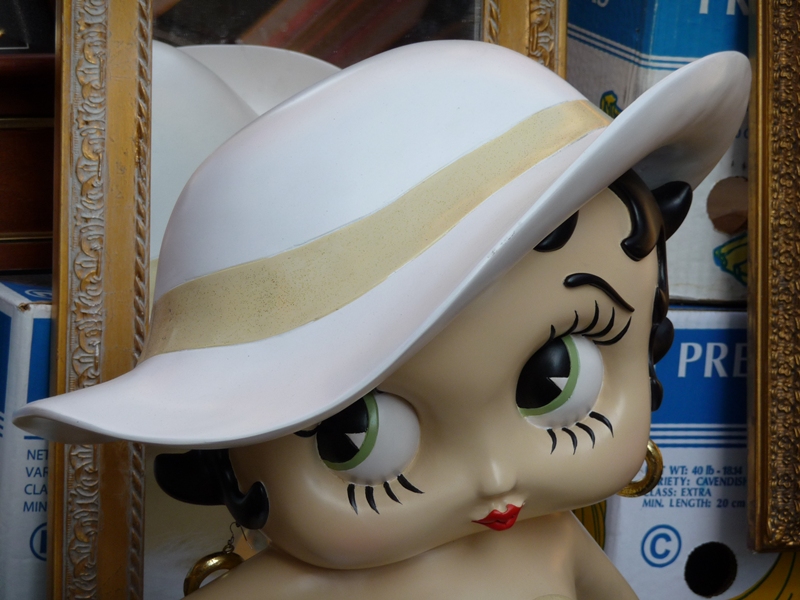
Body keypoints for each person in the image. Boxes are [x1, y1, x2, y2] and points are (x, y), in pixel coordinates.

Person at [15, 41, 749, 599]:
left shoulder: (554, 546)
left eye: (555, 381)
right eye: (356, 436)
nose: (495, 477)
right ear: (231, 460)